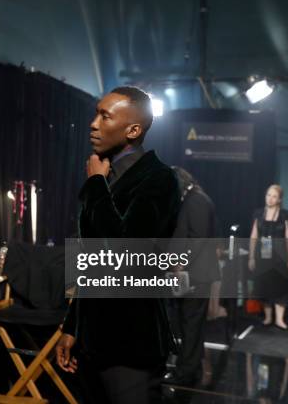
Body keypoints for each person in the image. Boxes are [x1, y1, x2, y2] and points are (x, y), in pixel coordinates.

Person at [55, 86, 180, 404]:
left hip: (131, 345)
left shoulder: (159, 179)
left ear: (133, 130)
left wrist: (96, 184)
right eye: (96, 113)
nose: (93, 123)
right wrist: (73, 327)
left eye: (105, 116)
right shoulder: (105, 173)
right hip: (93, 341)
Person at [164, 166, 220, 387]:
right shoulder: (195, 198)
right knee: (189, 325)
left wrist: (179, 265)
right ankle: (190, 369)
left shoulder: (195, 200)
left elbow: (198, 239)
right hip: (193, 273)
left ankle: (185, 373)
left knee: (190, 325)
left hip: (194, 275)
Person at [248, 184, 288, 330]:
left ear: (279, 199)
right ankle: (268, 317)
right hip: (263, 255)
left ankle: (279, 319)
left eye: (274, 196)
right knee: (265, 286)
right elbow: (254, 236)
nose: (270, 198)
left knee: (280, 286)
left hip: (280, 255)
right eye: (268, 195)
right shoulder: (258, 213)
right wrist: (251, 257)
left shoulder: (285, 214)